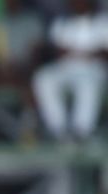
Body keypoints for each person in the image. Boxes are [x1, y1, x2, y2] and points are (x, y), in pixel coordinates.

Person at [32, 0, 108, 142]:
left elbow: (104, 53)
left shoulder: (103, 22)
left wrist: (82, 53)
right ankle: (58, 128)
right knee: (43, 77)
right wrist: (86, 52)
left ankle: (82, 130)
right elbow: (56, 51)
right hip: (66, 67)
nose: (78, 3)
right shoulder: (62, 22)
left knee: (87, 83)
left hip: (94, 68)